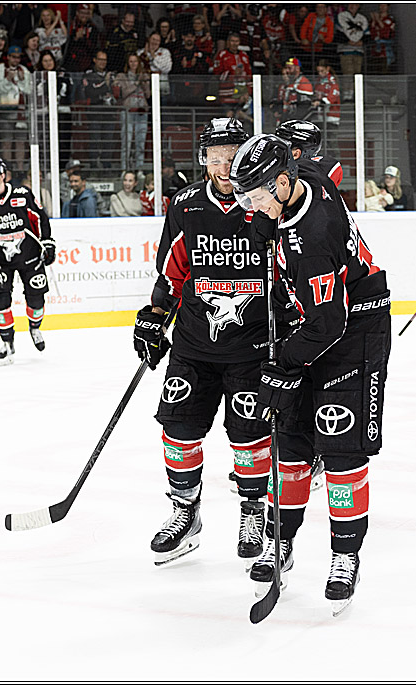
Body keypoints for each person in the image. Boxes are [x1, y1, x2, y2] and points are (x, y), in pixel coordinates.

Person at [229, 133, 390, 615]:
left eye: (257, 198)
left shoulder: (316, 235)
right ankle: (282, 540)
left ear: (282, 183)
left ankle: (345, 555)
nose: (252, 208)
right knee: (293, 441)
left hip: (353, 333)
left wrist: (284, 364)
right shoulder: (299, 181)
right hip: (314, 321)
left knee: (340, 445)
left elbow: (329, 323)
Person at [131, 118, 273, 569]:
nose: (225, 164)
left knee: (249, 437)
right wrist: (154, 318)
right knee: (178, 428)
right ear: (204, 160)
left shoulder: (266, 202)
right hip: (194, 344)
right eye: (216, 156)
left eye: (233, 154)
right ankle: (184, 513)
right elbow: (171, 272)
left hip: (252, 347)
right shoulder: (187, 205)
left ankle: (253, 510)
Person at [0, 156, 56, 363]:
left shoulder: (22, 195)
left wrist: (47, 242)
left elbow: (40, 218)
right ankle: (7, 342)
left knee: (36, 299)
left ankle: (35, 328)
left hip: (30, 257)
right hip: (1, 262)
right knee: (0, 302)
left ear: (3, 175)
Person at [0, 45, 32, 169]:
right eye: (13, 57)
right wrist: (8, 79)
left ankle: (20, 169)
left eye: (18, 57)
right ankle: (7, 169)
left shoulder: (24, 70)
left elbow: (29, 91)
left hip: (21, 111)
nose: (16, 60)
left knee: (21, 141)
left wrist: (20, 80)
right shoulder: (0, 69)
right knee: (6, 141)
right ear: (8, 57)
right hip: (5, 109)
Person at [113, 53, 150, 172]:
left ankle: (139, 169)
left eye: (136, 61)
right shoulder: (121, 76)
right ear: (127, 63)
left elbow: (148, 94)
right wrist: (137, 83)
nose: (134, 64)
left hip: (141, 111)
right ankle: (125, 169)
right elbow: (124, 93)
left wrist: (145, 83)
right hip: (128, 111)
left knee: (140, 142)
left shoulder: (142, 76)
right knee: (126, 142)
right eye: (131, 61)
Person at [275, 56, 313, 123]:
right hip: (286, 119)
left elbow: (305, 106)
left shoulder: (304, 82)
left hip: (299, 122)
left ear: (297, 68)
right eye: (286, 68)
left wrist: (295, 121)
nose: (287, 70)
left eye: (289, 68)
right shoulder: (290, 82)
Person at [312, 60, 340, 126]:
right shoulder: (319, 80)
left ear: (327, 68)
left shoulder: (332, 80)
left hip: (332, 116)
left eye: (322, 71)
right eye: (318, 71)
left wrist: (321, 102)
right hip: (320, 115)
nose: (320, 73)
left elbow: (333, 96)